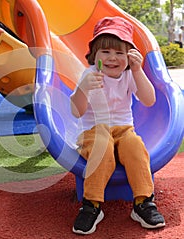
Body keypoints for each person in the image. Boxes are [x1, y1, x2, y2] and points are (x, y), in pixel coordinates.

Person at [70, 16, 165, 235]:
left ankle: (143, 202)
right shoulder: (90, 74)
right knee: (102, 144)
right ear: (95, 55)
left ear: (128, 56)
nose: (113, 58)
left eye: (120, 53)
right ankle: (91, 204)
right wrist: (83, 89)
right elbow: (76, 111)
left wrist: (138, 70)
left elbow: (149, 99)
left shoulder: (129, 74)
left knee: (134, 145)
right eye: (106, 52)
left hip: (123, 130)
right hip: (94, 130)